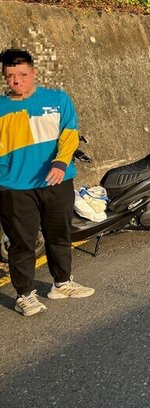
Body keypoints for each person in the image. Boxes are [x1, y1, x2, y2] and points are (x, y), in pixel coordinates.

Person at [0, 48, 94, 317]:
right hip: (13, 187)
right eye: (10, 76)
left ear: (34, 73)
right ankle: (24, 295)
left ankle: (62, 283)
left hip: (57, 181)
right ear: (5, 78)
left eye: (22, 74)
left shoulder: (57, 99)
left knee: (59, 236)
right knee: (22, 243)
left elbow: (69, 133)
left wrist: (61, 161)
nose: (17, 81)